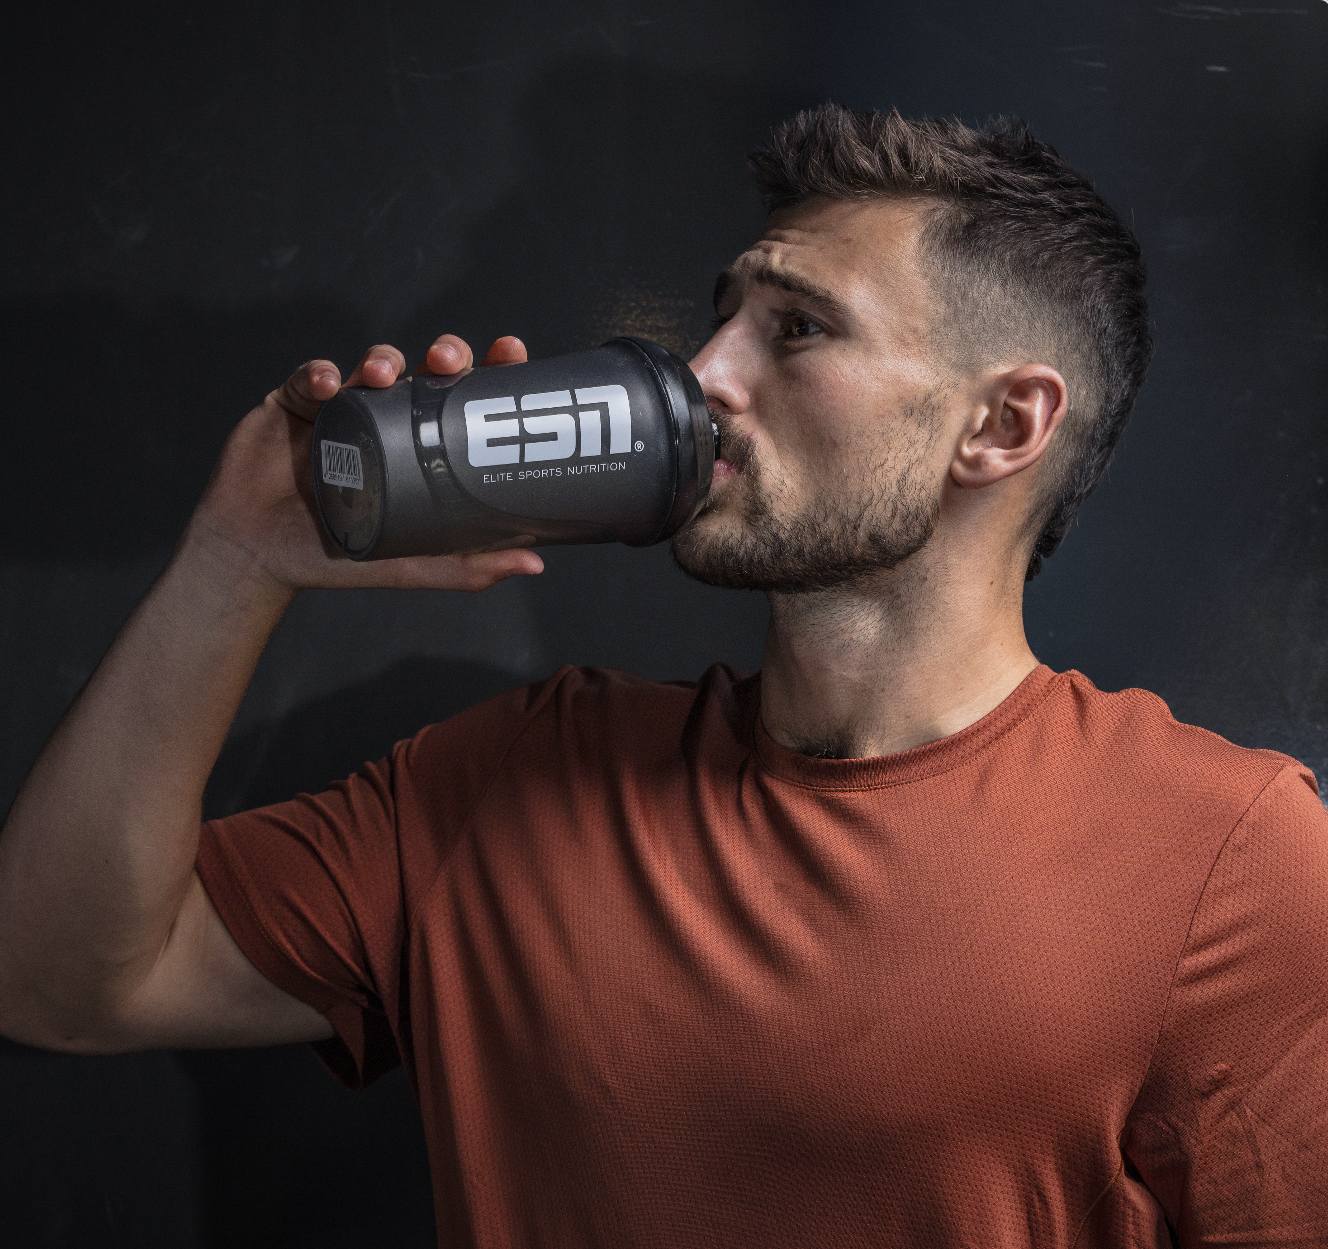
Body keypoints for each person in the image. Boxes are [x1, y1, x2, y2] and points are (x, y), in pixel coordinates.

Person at [0, 103, 1324, 1248]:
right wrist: (236, 561)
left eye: (795, 330)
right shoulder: (506, 783)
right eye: (723, 315)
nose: (702, 376)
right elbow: (58, 981)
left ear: (1002, 424)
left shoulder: (1224, 857)